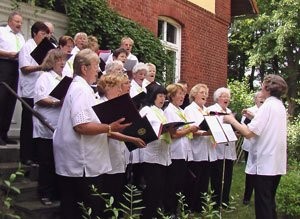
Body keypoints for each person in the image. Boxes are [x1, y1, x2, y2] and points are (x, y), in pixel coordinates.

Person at [53, 49, 131, 219]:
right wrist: (110, 127)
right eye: (96, 65)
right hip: (83, 164)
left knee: (73, 207)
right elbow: (81, 126)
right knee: (86, 209)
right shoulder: (81, 90)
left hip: (80, 162)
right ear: (84, 68)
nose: (98, 70)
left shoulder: (81, 88)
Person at [223, 74, 288, 219]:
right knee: (270, 202)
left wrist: (232, 120)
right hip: (276, 162)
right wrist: (253, 117)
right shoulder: (279, 106)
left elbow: (248, 133)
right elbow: (267, 125)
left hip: (265, 163)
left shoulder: (267, 106)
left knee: (263, 205)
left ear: (266, 88)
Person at [97, 73, 145, 218]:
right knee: (109, 196)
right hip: (106, 156)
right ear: (107, 87)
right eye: (117, 87)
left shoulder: (117, 104)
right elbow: (109, 131)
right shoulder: (101, 104)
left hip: (119, 155)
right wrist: (131, 138)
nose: (120, 91)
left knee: (118, 193)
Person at [33, 49, 67, 205]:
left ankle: (55, 192)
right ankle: (44, 193)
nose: (62, 63)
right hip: (46, 124)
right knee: (46, 161)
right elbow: (40, 99)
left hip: (59, 126)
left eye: (63, 60)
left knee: (57, 161)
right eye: (59, 60)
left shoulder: (64, 78)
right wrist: (56, 102)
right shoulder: (44, 77)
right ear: (51, 62)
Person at [163, 83, 198, 216]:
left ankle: (177, 209)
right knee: (173, 184)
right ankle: (170, 211)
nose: (182, 96)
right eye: (179, 94)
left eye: (183, 94)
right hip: (175, 152)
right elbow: (173, 134)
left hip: (184, 152)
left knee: (180, 183)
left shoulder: (181, 111)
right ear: (172, 96)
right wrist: (189, 129)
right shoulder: (170, 111)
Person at [18, 21, 50, 165]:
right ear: (34, 33)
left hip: (41, 91)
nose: (44, 37)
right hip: (29, 91)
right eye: (42, 34)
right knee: (28, 124)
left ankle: (36, 155)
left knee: (38, 124)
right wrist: (41, 67)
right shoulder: (27, 46)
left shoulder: (44, 48)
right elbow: (24, 68)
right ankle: (25, 156)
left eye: (46, 35)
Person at [139, 84, 172, 219]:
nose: (163, 99)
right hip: (151, 155)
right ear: (153, 96)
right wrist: (160, 130)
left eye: (164, 96)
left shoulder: (161, 111)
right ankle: (148, 214)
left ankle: (156, 212)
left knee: (159, 187)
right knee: (152, 187)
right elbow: (142, 130)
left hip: (162, 154)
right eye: (160, 96)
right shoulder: (147, 110)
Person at [184, 83, 217, 213]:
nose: (205, 95)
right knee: (194, 180)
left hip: (208, 149)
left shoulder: (207, 110)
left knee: (204, 179)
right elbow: (191, 128)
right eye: (202, 92)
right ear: (194, 94)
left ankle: (200, 206)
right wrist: (205, 132)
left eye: (206, 92)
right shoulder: (189, 109)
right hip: (196, 149)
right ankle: (189, 207)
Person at [207, 87, 237, 207]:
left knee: (228, 175)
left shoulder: (230, 112)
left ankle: (225, 200)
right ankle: (216, 201)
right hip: (217, 147)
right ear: (217, 98)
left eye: (228, 96)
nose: (226, 98)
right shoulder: (211, 110)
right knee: (217, 176)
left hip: (229, 148)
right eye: (223, 96)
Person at [0, 11, 25, 145]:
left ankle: (4, 133)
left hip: (17, 68)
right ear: (10, 21)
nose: (19, 24)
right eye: (17, 21)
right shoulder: (2, 31)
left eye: (21, 22)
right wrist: (9, 54)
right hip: (4, 64)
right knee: (1, 100)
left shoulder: (21, 37)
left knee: (11, 101)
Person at [241, 91, 265, 205]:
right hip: (250, 146)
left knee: (261, 173)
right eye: (259, 97)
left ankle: (259, 196)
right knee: (250, 172)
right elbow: (244, 127)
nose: (262, 99)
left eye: (263, 97)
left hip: (263, 147)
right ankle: (247, 197)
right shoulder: (250, 110)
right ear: (255, 99)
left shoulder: (266, 111)